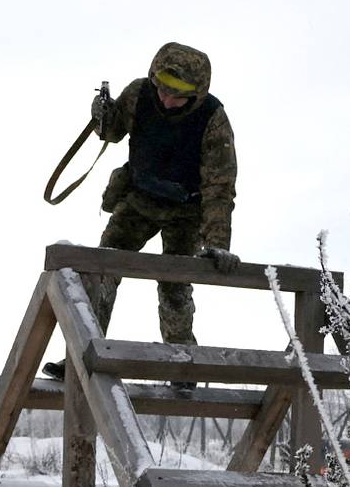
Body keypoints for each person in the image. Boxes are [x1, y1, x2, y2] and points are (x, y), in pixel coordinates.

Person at [44, 42, 239, 388]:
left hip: (186, 211)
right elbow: (113, 131)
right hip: (138, 198)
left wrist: (217, 243)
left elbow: (219, 188)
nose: (165, 99)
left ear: (196, 94)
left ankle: (182, 365)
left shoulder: (213, 119)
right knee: (102, 269)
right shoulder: (139, 93)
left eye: (176, 95)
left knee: (175, 284)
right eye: (162, 88)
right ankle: (82, 350)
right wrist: (102, 114)